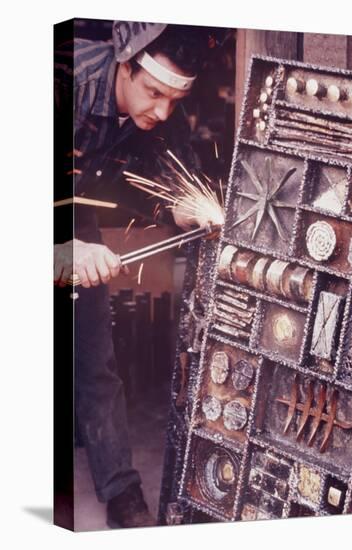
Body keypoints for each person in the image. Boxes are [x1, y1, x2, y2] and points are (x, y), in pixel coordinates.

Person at [54, 21, 211, 529]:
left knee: (95, 359)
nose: (161, 110)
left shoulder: (157, 106)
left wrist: (181, 206)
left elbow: (156, 170)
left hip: (71, 210)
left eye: (173, 98)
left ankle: (121, 491)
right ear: (125, 64)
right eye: (153, 93)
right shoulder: (59, 80)